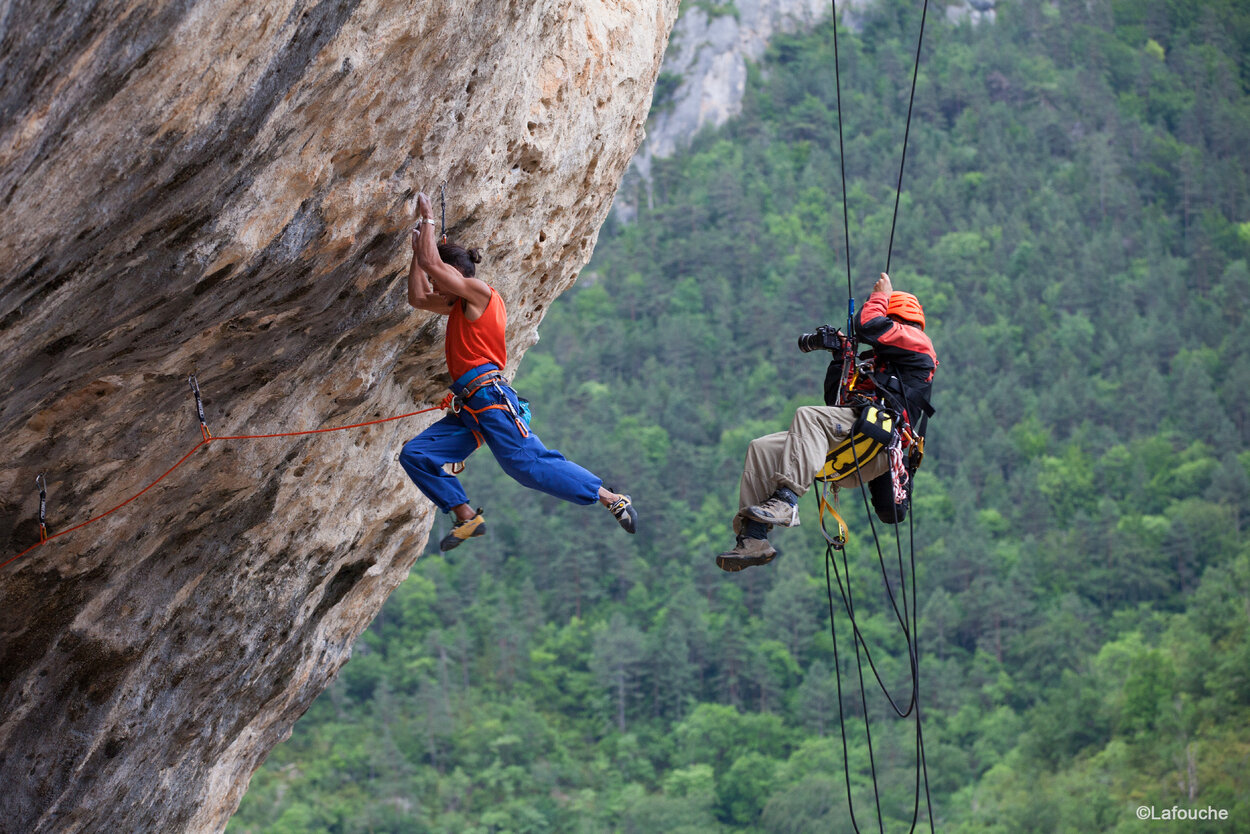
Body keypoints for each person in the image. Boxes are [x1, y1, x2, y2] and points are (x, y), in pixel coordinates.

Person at [399, 191, 637, 551]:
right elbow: (417, 297)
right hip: (472, 408)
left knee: (527, 465)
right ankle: (466, 516)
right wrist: (418, 256)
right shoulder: (459, 306)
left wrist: (428, 221)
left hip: (490, 399)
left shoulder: (481, 295)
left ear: (456, 277)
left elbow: (434, 268)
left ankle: (609, 497)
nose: (436, 292)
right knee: (416, 454)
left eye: (441, 283)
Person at [716, 272, 937, 572]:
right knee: (762, 448)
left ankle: (786, 502)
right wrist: (840, 357)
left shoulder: (919, 344)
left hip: (878, 442)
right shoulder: (873, 365)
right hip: (856, 444)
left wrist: (880, 296)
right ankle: (753, 538)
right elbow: (836, 404)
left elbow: (870, 325)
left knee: (807, 416)